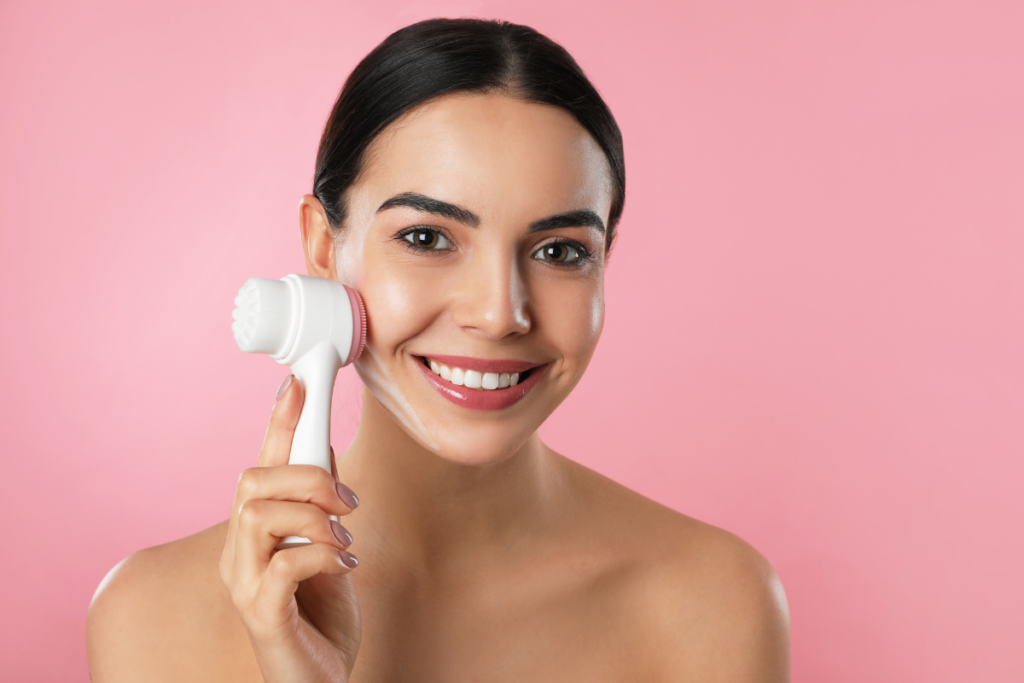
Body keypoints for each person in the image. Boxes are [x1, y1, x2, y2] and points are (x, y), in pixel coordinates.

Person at [86, 18, 790, 682]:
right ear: (325, 249)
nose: (498, 313)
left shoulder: (713, 603)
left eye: (560, 250)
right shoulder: (150, 619)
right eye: (427, 237)